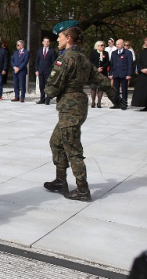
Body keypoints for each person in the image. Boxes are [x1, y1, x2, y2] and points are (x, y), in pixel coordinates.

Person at [43, 23, 118, 201]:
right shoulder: (82, 57)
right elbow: (99, 78)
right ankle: (61, 181)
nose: (58, 40)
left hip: (70, 108)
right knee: (56, 142)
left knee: (72, 148)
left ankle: (83, 190)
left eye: (60, 36)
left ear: (68, 38)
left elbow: (52, 89)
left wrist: (48, 90)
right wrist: (113, 95)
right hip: (76, 106)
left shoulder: (66, 58)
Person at [109, 39, 133, 110]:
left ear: (123, 44)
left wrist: (129, 74)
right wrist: (111, 73)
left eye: (119, 44)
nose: (117, 45)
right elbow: (112, 64)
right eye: (116, 44)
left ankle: (124, 104)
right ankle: (116, 103)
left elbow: (130, 64)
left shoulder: (128, 53)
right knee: (116, 90)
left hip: (124, 74)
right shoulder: (114, 53)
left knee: (124, 90)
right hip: (116, 74)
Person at [35, 37, 57, 105]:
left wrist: (52, 71)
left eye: (47, 41)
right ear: (42, 42)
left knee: (48, 85)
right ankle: (42, 98)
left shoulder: (52, 51)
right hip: (41, 70)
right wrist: (36, 70)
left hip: (48, 71)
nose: (46, 43)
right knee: (41, 86)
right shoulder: (39, 50)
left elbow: (54, 62)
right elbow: (37, 61)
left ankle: (48, 99)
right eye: (45, 41)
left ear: (49, 43)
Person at [88, 41, 110, 108]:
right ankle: (93, 102)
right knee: (93, 87)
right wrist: (96, 68)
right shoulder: (93, 53)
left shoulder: (106, 53)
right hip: (94, 73)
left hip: (103, 72)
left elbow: (107, 62)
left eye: (103, 45)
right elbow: (90, 62)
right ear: (97, 46)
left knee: (100, 88)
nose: (103, 47)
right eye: (101, 45)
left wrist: (102, 68)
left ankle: (99, 102)